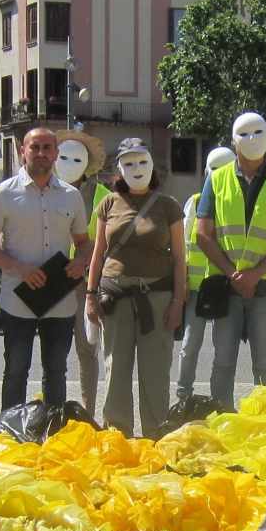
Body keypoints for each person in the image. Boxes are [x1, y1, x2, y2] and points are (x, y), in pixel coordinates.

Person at [0, 126, 91, 412]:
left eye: (47, 148)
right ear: (22, 151)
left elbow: (84, 243)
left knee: (56, 371)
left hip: (60, 301)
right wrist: (17, 267)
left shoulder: (71, 196)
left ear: (55, 154)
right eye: (34, 147)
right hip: (17, 299)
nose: (41, 153)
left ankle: (52, 431)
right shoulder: (1, 194)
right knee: (16, 371)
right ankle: (11, 432)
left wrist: (81, 261)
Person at [195, 111, 266, 409]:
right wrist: (234, 275)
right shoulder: (216, 179)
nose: (251, 139)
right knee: (223, 361)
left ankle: (264, 423)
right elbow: (203, 234)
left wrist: (254, 275)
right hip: (226, 288)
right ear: (232, 140)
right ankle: (221, 419)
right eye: (244, 133)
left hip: (265, 287)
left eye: (258, 132)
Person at [85, 139, 186, 436]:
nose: (136, 169)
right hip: (114, 296)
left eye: (142, 161)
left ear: (152, 165)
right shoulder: (108, 203)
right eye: (129, 163)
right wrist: (90, 297)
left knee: (155, 371)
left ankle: (156, 435)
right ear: (119, 169)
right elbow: (98, 253)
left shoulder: (169, 206)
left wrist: (178, 302)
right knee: (115, 368)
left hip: (157, 298)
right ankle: (118, 436)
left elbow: (180, 259)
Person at [54, 128, 109, 413]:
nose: (69, 164)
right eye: (63, 157)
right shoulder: (44, 191)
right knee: (54, 352)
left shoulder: (104, 197)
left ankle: (88, 409)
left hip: (86, 284)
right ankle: (55, 409)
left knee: (87, 350)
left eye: (77, 159)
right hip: (50, 282)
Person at [176, 145, 236, 403]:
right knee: (190, 345)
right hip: (197, 287)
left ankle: (221, 401)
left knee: (224, 350)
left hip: (225, 286)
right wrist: (183, 283)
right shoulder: (196, 202)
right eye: (213, 169)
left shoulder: (238, 205)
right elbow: (181, 245)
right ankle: (183, 397)